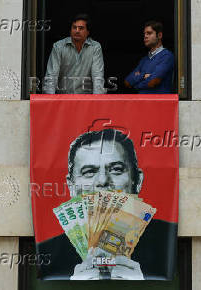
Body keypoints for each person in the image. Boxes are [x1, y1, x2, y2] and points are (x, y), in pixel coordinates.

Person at [36, 129, 177, 280]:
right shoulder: (47, 252)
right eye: (89, 171)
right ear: (71, 186)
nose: (102, 181)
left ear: (137, 181)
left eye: (116, 169)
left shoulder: (169, 241)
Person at [43, 14, 105, 94]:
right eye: (74, 27)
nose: (77, 31)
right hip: (63, 99)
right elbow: (51, 76)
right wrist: (50, 102)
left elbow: (98, 77)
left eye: (81, 28)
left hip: (86, 100)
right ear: (70, 30)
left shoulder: (95, 47)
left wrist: (96, 103)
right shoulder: (58, 47)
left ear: (88, 32)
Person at [124, 21, 174, 94]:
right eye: (144, 33)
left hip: (159, 103)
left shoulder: (166, 56)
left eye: (149, 33)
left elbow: (153, 82)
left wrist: (136, 84)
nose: (145, 36)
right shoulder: (144, 60)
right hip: (142, 102)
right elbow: (127, 82)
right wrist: (144, 75)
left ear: (159, 35)